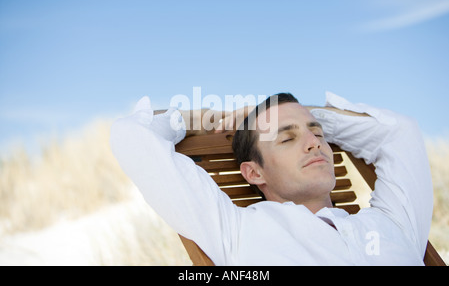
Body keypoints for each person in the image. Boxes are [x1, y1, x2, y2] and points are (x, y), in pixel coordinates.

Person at [110, 92, 433, 265]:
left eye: (317, 133)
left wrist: (293, 114)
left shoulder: (392, 224)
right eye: (287, 138)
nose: (314, 143)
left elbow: (397, 132)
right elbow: (133, 136)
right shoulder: (238, 233)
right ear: (254, 172)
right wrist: (206, 120)